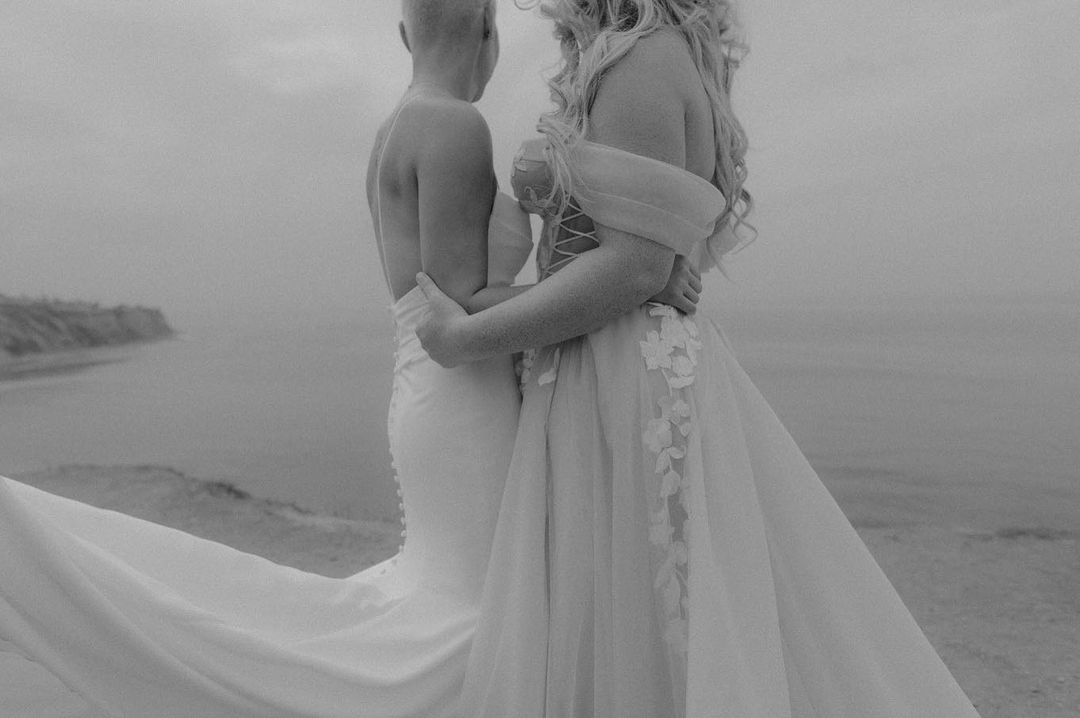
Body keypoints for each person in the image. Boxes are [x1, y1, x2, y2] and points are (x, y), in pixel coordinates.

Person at [414, 1, 983, 716]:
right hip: (602, 364)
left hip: (621, 377)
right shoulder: (648, 53)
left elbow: (633, 268)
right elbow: (644, 259)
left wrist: (465, 338)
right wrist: (643, 270)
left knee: (642, 624)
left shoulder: (641, 56)